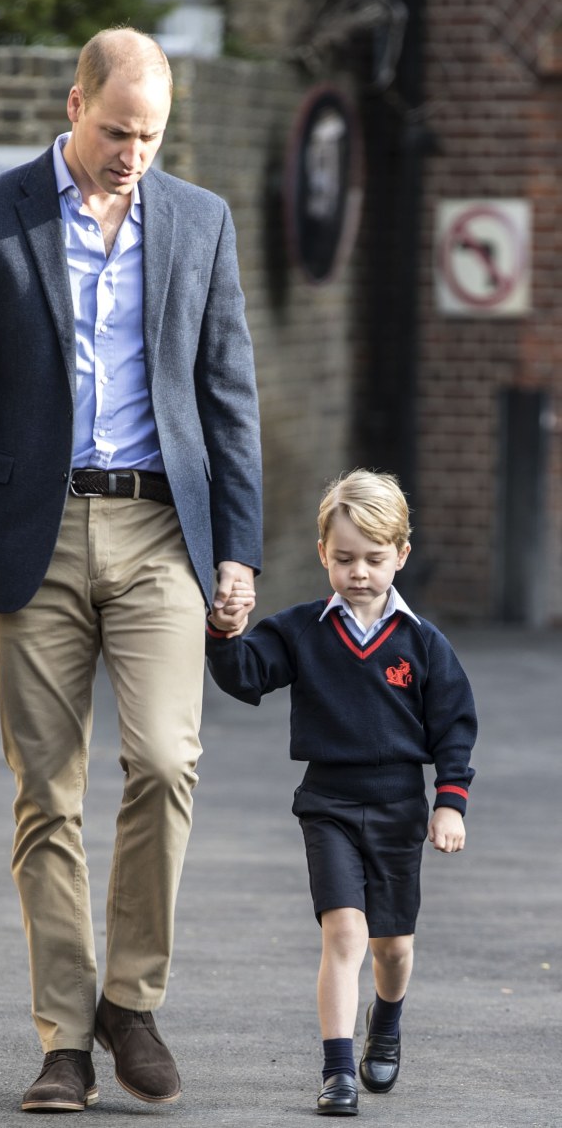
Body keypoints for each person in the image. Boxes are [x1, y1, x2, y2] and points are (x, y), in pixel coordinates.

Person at [0, 27, 262, 1113]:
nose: (130, 153)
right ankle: (65, 1038)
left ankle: (130, 1000)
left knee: (165, 759)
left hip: (159, 534)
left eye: (150, 136)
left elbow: (228, 394)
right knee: (46, 795)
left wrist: (237, 547)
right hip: (30, 536)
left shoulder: (200, 221)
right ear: (74, 104)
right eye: (114, 130)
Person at [205, 469, 476, 1117]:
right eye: (345, 558)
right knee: (344, 936)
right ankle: (337, 1072)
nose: (359, 572)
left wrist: (450, 802)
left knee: (392, 947)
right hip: (326, 803)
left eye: (375, 559)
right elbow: (245, 677)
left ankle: (386, 1021)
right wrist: (224, 630)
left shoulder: (422, 645)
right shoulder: (302, 629)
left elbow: (455, 726)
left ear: (401, 556)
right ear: (323, 552)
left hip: (399, 808)